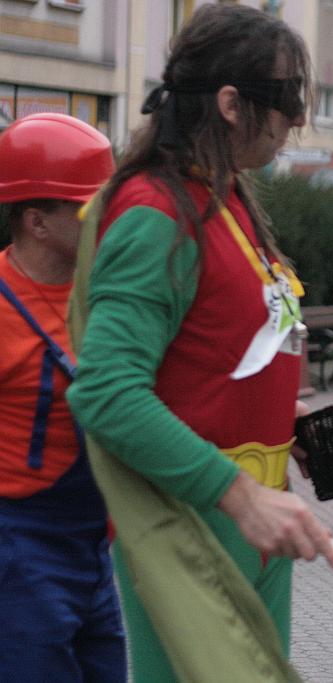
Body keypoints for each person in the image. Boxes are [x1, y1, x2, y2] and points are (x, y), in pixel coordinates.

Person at [65, 5, 333, 681]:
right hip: (195, 524)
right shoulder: (158, 214)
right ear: (228, 103)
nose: (296, 119)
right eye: (285, 99)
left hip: (253, 520)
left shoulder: (223, 199)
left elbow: (212, 353)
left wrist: (282, 420)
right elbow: (105, 391)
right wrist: (240, 494)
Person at [0, 113, 125, 681]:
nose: (108, 219)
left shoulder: (105, 296)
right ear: (36, 221)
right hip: (18, 553)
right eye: (89, 208)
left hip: (94, 546)